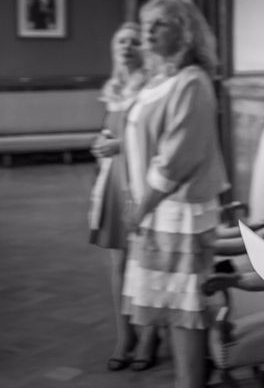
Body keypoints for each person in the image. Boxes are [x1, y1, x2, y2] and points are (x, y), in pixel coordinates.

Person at [121, 0, 230, 388]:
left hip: (180, 211)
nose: (149, 31)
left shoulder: (193, 82)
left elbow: (177, 158)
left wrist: (141, 207)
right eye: (146, 23)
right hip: (155, 209)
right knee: (171, 303)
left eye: (161, 24)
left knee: (185, 308)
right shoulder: (156, 81)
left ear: (186, 33)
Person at [89, 21, 156, 371]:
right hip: (114, 182)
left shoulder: (151, 87)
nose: (127, 47)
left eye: (133, 41)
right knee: (119, 265)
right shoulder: (113, 88)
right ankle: (124, 335)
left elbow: (155, 138)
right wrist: (102, 144)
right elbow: (111, 132)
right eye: (121, 41)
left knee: (143, 263)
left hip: (142, 183)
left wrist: (118, 145)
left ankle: (147, 337)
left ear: (143, 49)